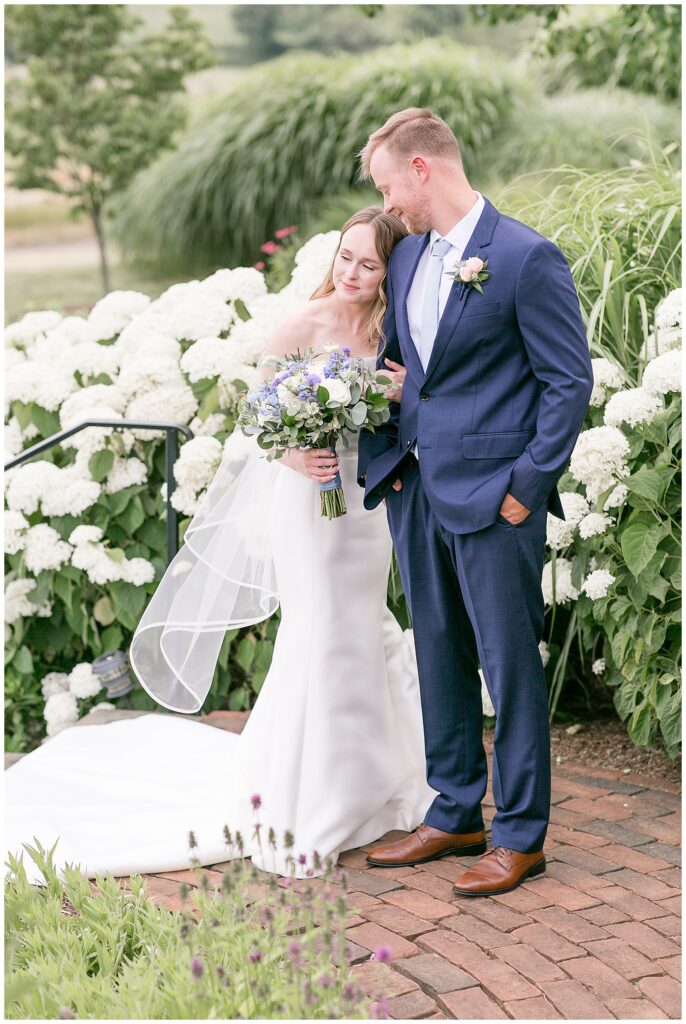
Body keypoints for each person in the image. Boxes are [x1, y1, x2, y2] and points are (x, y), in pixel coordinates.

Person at [5, 208, 461, 887]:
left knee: (366, 626)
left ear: (389, 271)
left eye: (369, 265)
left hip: (363, 506)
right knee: (320, 630)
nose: (353, 274)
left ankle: (384, 779)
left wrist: (392, 393)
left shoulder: (390, 330)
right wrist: (297, 457)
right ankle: (311, 797)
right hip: (306, 503)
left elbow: (407, 407)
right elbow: (260, 416)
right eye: (346, 258)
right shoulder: (300, 325)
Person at [357, 109, 594, 897]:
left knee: (509, 668)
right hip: (417, 488)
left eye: (390, 186)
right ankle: (456, 809)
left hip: (497, 501)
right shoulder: (408, 258)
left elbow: (568, 383)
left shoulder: (525, 257)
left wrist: (527, 490)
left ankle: (521, 835)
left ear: (423, 170)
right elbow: (406, 368)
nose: (388, 205)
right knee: (438, 655)